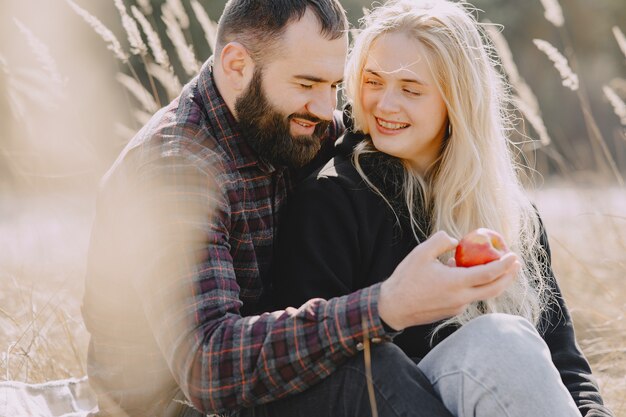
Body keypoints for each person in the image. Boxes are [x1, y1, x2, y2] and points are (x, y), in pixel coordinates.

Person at [84, 1, 521, 416]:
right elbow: (207, 367)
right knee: (366, 372)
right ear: (237, 66)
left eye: (334, 85)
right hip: (181, 408)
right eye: (307, 84)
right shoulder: (174, 169)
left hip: (264, 391)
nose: (326, 108)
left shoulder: (293, 122)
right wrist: (386, 305)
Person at [271, 0, 614, 416]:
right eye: (373, 81)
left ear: (457, 101)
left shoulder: (510, 214)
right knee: (498, 343)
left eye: (411, 90)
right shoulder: (331, 201)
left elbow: (566, 364)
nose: (384, 104)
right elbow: (316, 377)